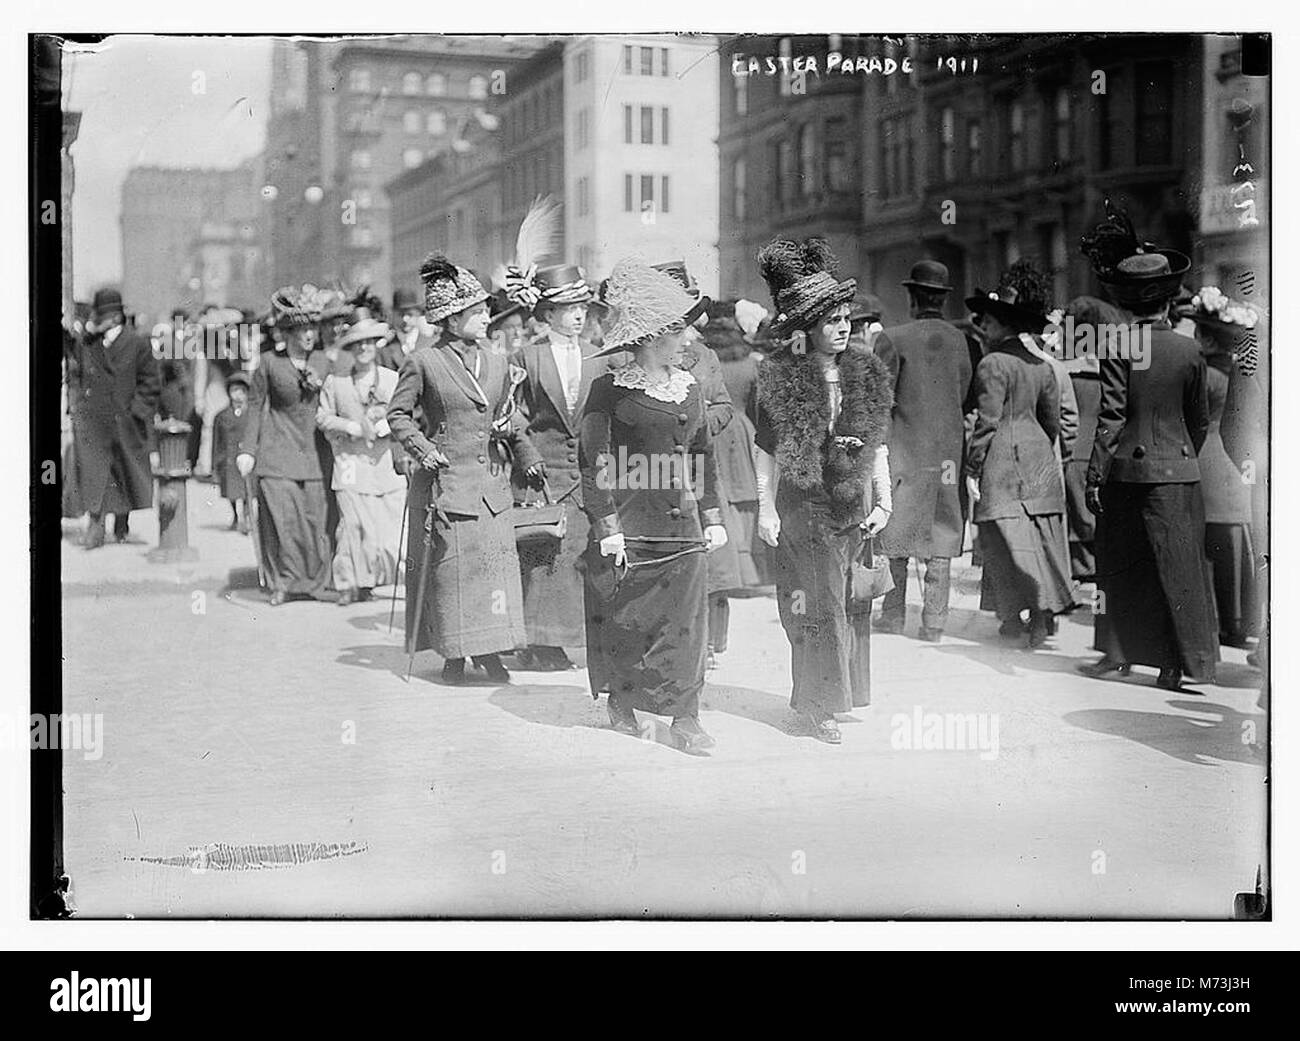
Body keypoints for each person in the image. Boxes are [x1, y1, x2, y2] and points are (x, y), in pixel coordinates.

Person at [578, 259, 727, 755]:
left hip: (682, 526)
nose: (689, 340)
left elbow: (702, 454)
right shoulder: (609, 390)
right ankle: (622, 699)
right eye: (680, 331)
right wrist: (607, 525)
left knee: (688, 625)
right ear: (653, 336)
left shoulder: (691, 387)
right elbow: (593, 462)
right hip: (630, 525)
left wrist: (712, 515)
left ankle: (686, 718)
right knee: (629, 619)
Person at [753, 238, 894, 744]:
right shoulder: (780, 376)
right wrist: (766, 510)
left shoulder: (865, 372)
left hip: (850, 505)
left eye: (846, 319)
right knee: (818, 605)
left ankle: (820, 697)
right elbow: (765, 451)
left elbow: (877, 443)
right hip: (803, 505)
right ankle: (821, 707)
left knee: (847, 605)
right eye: (831, 320)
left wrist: (884, 500)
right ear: (806, 328)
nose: (842, 328)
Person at [386, 253, 543, 685]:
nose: (486, 316)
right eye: (477, 312)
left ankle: (491, 653)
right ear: (453, 320)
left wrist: (527, 456)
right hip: (448, 483)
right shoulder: (424, 362)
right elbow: (397, 415)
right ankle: (454, 654)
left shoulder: (496, 363)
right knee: (452, 572)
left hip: (492, 486)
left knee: (493, 570)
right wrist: (422, 449)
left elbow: (508, 421)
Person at [1078, 211, 1218, 689]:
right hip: (1179, 470)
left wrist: (1094, 474)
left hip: (1124, 472)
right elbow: (1196, 420)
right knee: (1179, 568)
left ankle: (1116, 654)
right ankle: (1179, 663)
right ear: (1167, 298)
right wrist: (1179, 452)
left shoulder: (1118, 344)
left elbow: (1112, 415)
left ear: (1126, 299)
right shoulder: (1189, 350)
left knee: (1120, 566)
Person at [964, 268, 1074, 648]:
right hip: (1038, 454)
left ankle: (1013, 615)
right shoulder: (1041, 365)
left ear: (1001, 324)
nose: (984, 328)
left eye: (988, 321)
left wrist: (973, 467)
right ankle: (1043, 616)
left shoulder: (992, 364)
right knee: (1041, 537)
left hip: (1002, 460)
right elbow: (1052, 421)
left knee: (1001, 539)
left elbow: (987, 421)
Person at [508, 263, 606, 671]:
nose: (578, 315)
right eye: (568, 308)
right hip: (541, 475)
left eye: (582, 306)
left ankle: (571, 640)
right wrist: (527, 453)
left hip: (586, 474)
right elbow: (509, 412)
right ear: (547, 315)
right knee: (544, 560)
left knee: (580, 557)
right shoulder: (526, 357)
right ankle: (540, 643)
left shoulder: (598, 357)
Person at [873, 260, 972, 642]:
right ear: (942, 299)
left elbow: (883, 399)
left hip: (905, 448)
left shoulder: (893, 339)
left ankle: (893, 615)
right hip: (947, 450)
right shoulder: (959, 339)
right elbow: (962, 391)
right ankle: (934, 623)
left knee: (897, 528)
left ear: (912, 297)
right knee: (943, 529)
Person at [236, 284, 336, 605]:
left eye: (312, 328)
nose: (309, 335)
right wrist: (248, 450)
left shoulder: (323, 361)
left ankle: (315, 583)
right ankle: (282, 583)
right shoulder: (268, 363)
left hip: (316, 455)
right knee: (282, 520)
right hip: (276, 452)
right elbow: (254, 406)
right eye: (301, 329)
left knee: (314, 521)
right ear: (287, 331)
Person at [1181, 290, 1260, 647]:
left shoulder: (1205, 374)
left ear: (1209, 339)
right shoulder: (1243, 372)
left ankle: (1219, 618)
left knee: (1211, 541)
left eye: (1199, 333)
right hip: (1237, 459)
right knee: (1237, 539)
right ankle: (1241, 620)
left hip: (1210, 456)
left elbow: (1192, 418)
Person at [316, 318, 407, 605]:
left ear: (376, 344)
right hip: (351, 463)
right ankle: (348, 584)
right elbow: (323, 417)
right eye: (358, 344)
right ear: (351, 349)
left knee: (389, 529)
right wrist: (351, 427)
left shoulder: (392, 379)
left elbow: (406, 413)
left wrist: (388, 426)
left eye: (369, 342)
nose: (364, 348)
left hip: (383, 464)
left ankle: (385, 582)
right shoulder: (337, 382)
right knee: (353, 525)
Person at [67, 288, 161, 549]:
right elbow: (76, 374)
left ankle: (122, 520)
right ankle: (95, 527)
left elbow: (151, 382)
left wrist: (137, 412)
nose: (98, 320)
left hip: (126, 421)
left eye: (104, 315)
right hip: (94, 422)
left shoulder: (138, 343)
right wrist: (77, 407)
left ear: (117, 317)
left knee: (124, 473)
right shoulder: (88, 343)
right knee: (95, 474)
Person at [700, 302, 766, 665]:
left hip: (710, 433)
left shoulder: (704, 362)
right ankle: (743, 565)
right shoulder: (749, 364)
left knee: (717, 494)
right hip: (738, 430)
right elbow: (758, 407)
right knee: (740, 499)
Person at [1058, 296, 1120, 581]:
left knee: (1078, 533)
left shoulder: (1063, 368)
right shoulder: (1116, 368)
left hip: (1071, 452)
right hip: (1106, 453)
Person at [212, 371, 252, 533]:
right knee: (231, 491)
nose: (238, 396)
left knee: (247, 490)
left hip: (246, 458)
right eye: (234, 391)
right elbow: (216, 442)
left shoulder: (251, 415)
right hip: (228, 459)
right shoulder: (222, 416)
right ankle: (236, 516)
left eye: (242, 391)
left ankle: (247, 518)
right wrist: (215, 464)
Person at [378, 287, 434, 371]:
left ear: (418, 314)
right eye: (400, 314)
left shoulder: (431, 345)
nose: (405, 319)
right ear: (393, 315)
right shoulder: (384, 351)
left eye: (410, 314)